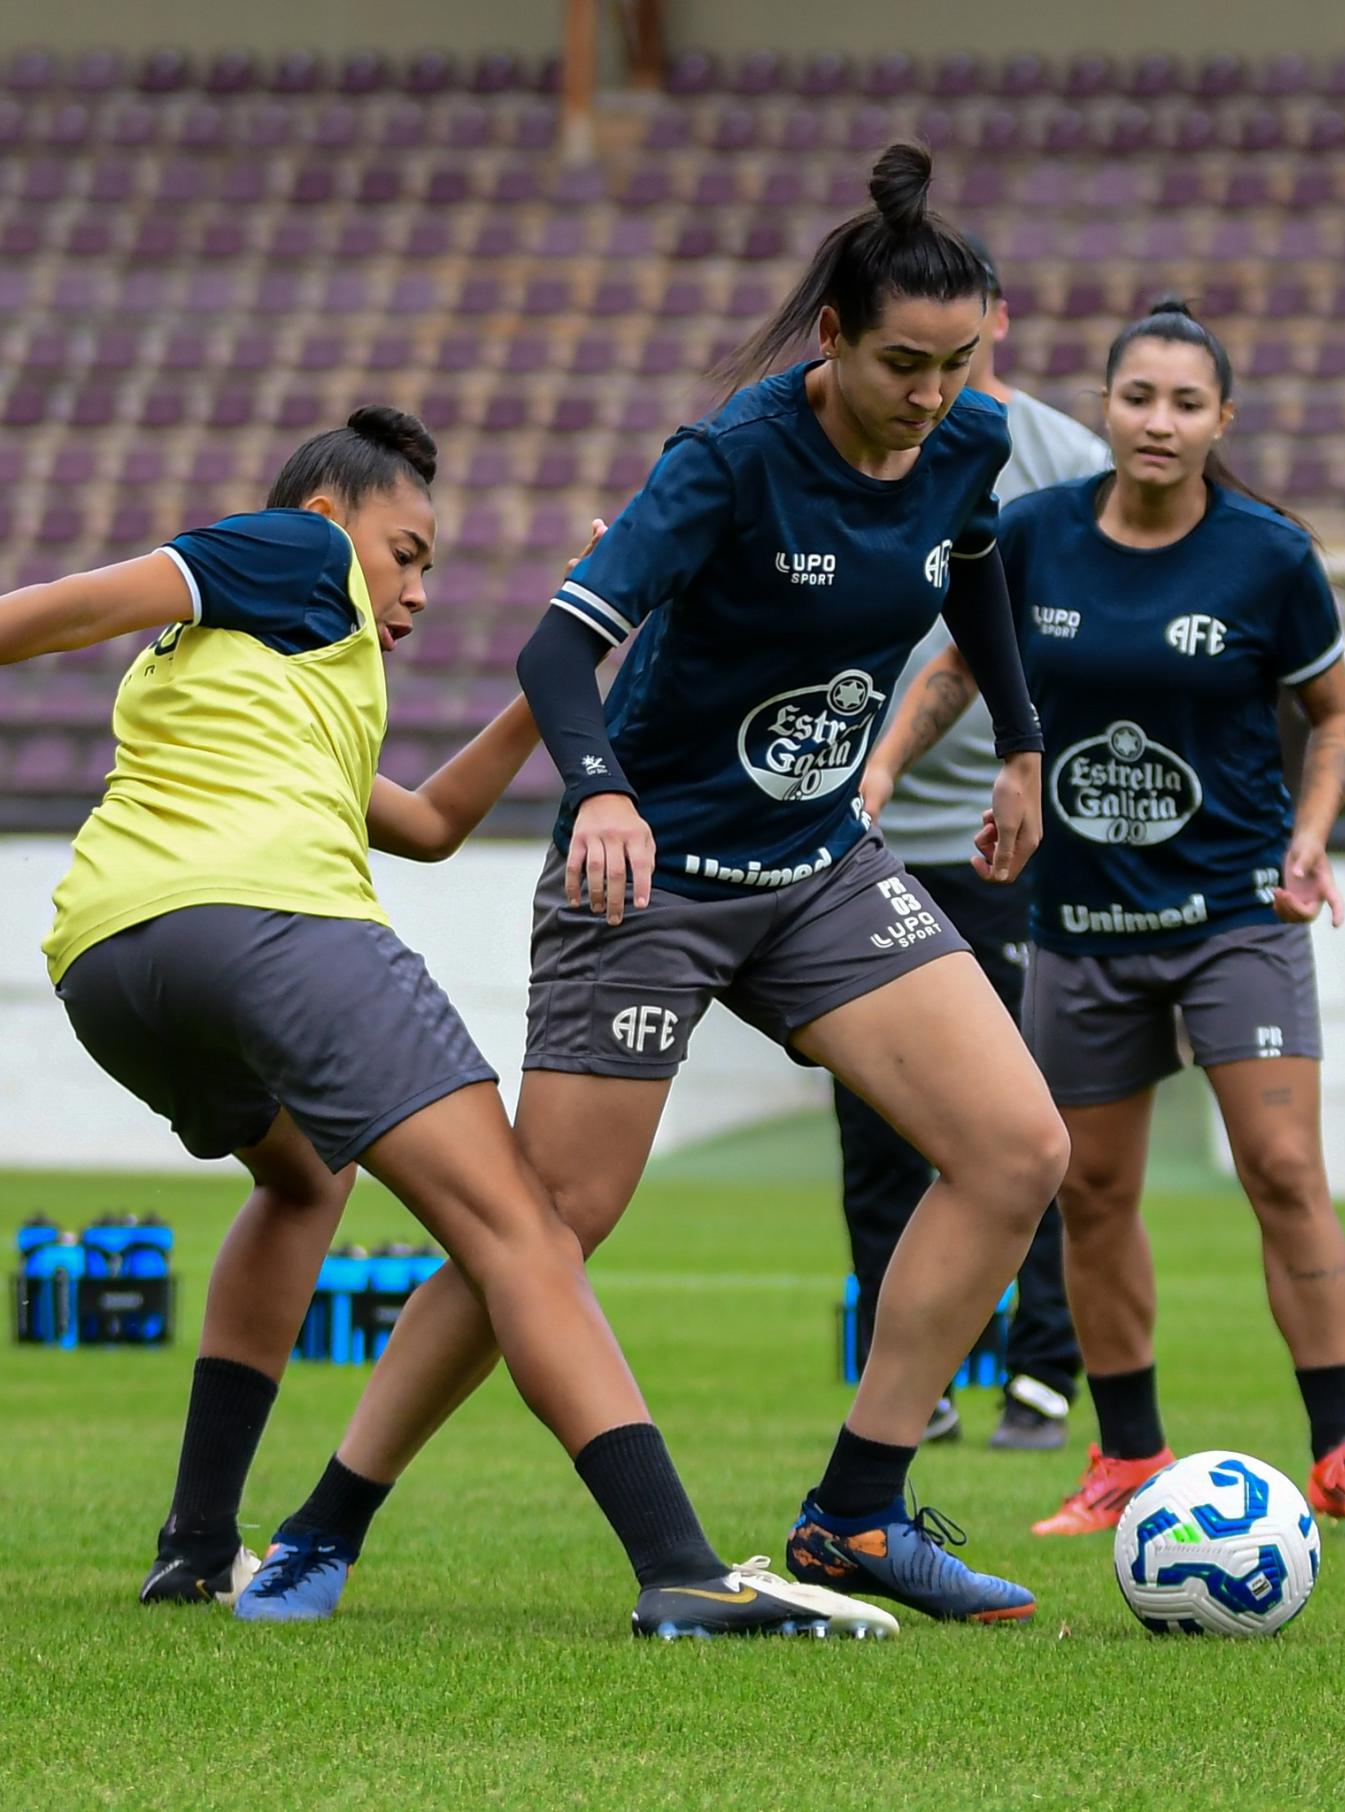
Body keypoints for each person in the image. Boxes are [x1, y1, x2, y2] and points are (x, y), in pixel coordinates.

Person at [251, 143, 1069, 1627]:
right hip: (653, 877)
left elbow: (976, 573)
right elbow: (556, 652)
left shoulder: (964, 444)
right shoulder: (726, 459)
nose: (930, 395)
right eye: (902, 363)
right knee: (548, 1225)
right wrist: (601, 788)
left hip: (820, 865)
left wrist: (1021, 744)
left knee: (1018, 1149)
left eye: (957, 362)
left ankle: (858, 1519)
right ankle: (321, 1526)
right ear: (830, 335)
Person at [11, 407, 895, 1641]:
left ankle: (200, 1549)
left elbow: (428, 825)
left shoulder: (254, 674)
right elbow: (57, 606)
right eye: (407, 550)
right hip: (269, 927)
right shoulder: (295, 551)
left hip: (109, 962)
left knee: (300, 1184)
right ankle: (681, 1568)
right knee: (521, 1223)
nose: (419, 588)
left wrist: (582, 654)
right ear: (332, 524)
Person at [876, 299, 1345, 1537]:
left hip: (1237, 914)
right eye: (1137, 398)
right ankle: (1125, 1458)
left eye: (1186, 403)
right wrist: (881, 773)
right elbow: (959, 664)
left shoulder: (1267, 554)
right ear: (1104, 410)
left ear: (1219, 420)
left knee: (1283, 1171)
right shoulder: (1030, 535)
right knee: (1093, 1193)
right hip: (1079, 923)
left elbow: (1335, 715)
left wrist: (1312, 828)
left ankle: (1341, 1452)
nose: (1158, 422)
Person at [847, 230, 1106, 1452]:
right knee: (876, 1118)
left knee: (1020, 1108)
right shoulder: (849, 440)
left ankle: (1043, 1368)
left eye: (964, 337)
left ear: (996, 317)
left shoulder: (1064, 457)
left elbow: (1080, 620)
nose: (938, 376)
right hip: (860, 821)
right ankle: (915, 1373)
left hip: (1004, 836)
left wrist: (1035, 761)